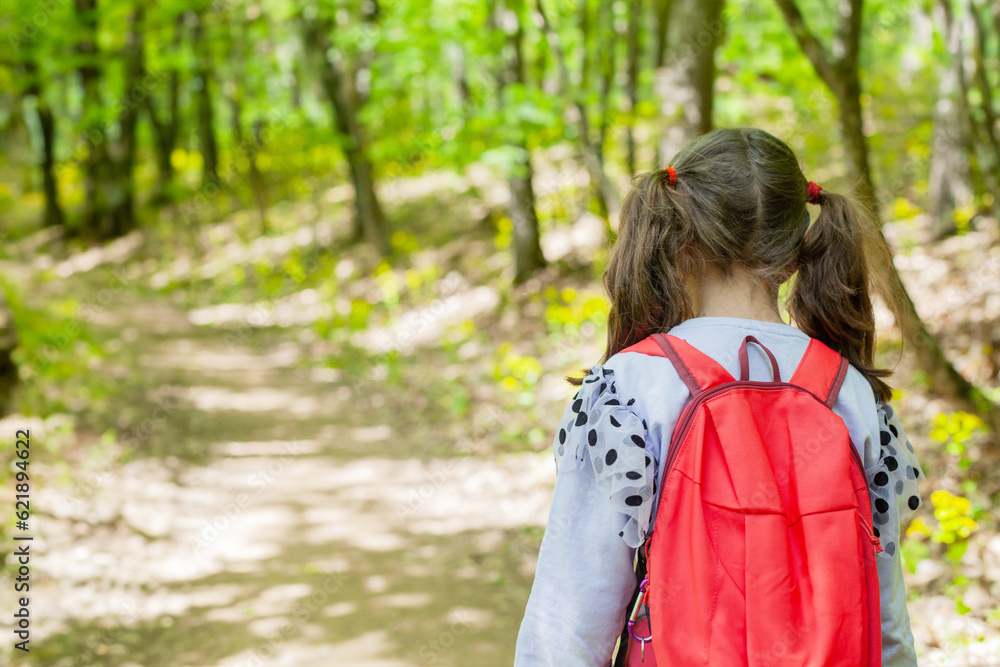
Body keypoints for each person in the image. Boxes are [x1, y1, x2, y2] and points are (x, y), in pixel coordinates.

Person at [513, 128, 922, 666]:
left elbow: (569, 616)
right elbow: (885, 608)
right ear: (799, 248)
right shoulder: (850, 391)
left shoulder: (630, 386)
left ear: (680, 236)